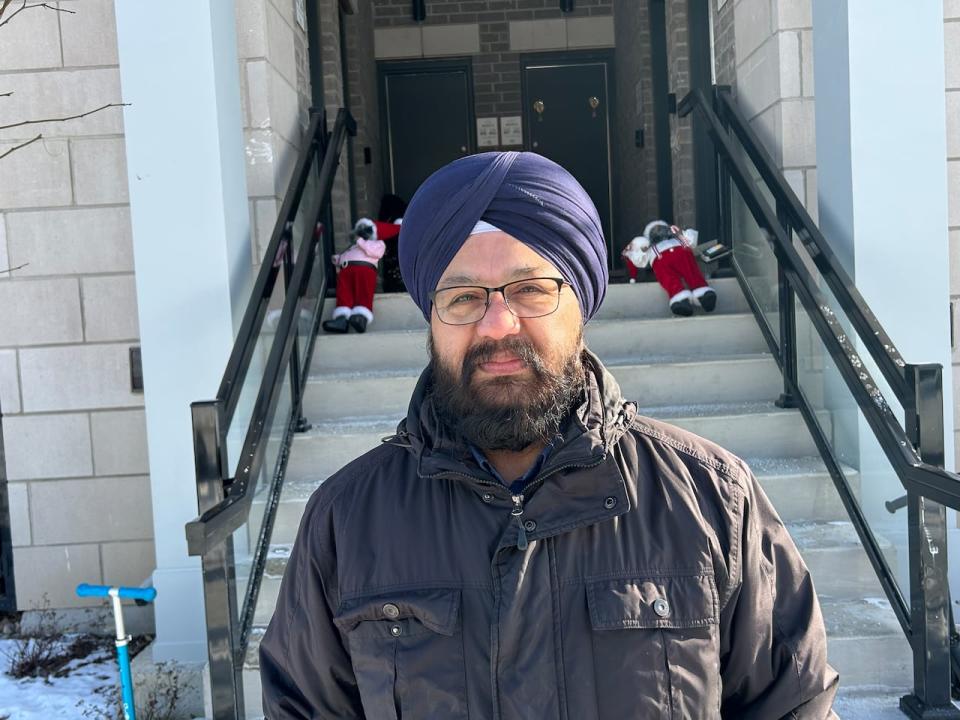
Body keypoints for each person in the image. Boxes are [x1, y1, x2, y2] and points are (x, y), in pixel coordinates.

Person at [260, 151, 839, 719]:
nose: (497, 324)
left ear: (582, 304)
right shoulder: (346, 522)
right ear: (431, 319)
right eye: (462, 298)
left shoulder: (712, 501)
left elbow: (794, 707)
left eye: (530, 289)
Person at [322, 217, 385, 334]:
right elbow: (347, 255)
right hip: (346, 271)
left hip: (364, 269)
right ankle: (341, 320)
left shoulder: (377, 243)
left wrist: (361, 241)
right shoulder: (353, 247)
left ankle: (360, 318)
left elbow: (375, 253)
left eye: (365, 230)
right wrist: (338, 259)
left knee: (363, 293)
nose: (362, 233)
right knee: (344, 294)